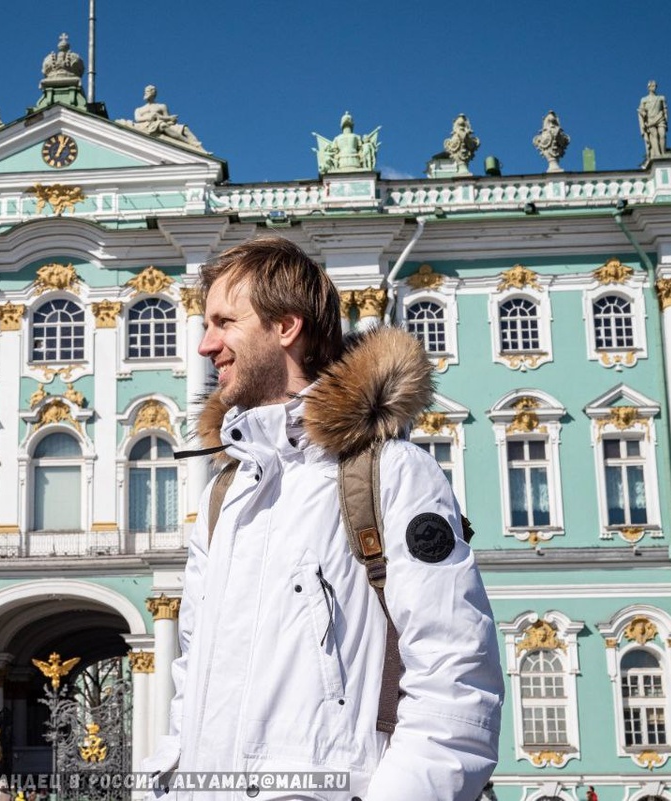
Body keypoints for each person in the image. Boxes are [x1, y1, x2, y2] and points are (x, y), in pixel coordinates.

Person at [143, 236, 504, 799]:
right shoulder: (225, 494)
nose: (205, 345)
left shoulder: (391, 474)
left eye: (223, 322)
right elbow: (192, 678)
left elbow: (457, 680)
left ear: (286, 327)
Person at [638, 80, 668, 161]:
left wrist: (666, 118)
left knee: (662, 134)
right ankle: (657, 154)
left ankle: (663, 152)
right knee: (654, 135)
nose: (654, 87)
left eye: (655, 86)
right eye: (652, 86)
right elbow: (641, 110)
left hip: (660, 118)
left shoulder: (661, 98)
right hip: (650, 120)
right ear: (649, 87)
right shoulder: (644, 99)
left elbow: (665, 110)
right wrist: (643, 113)